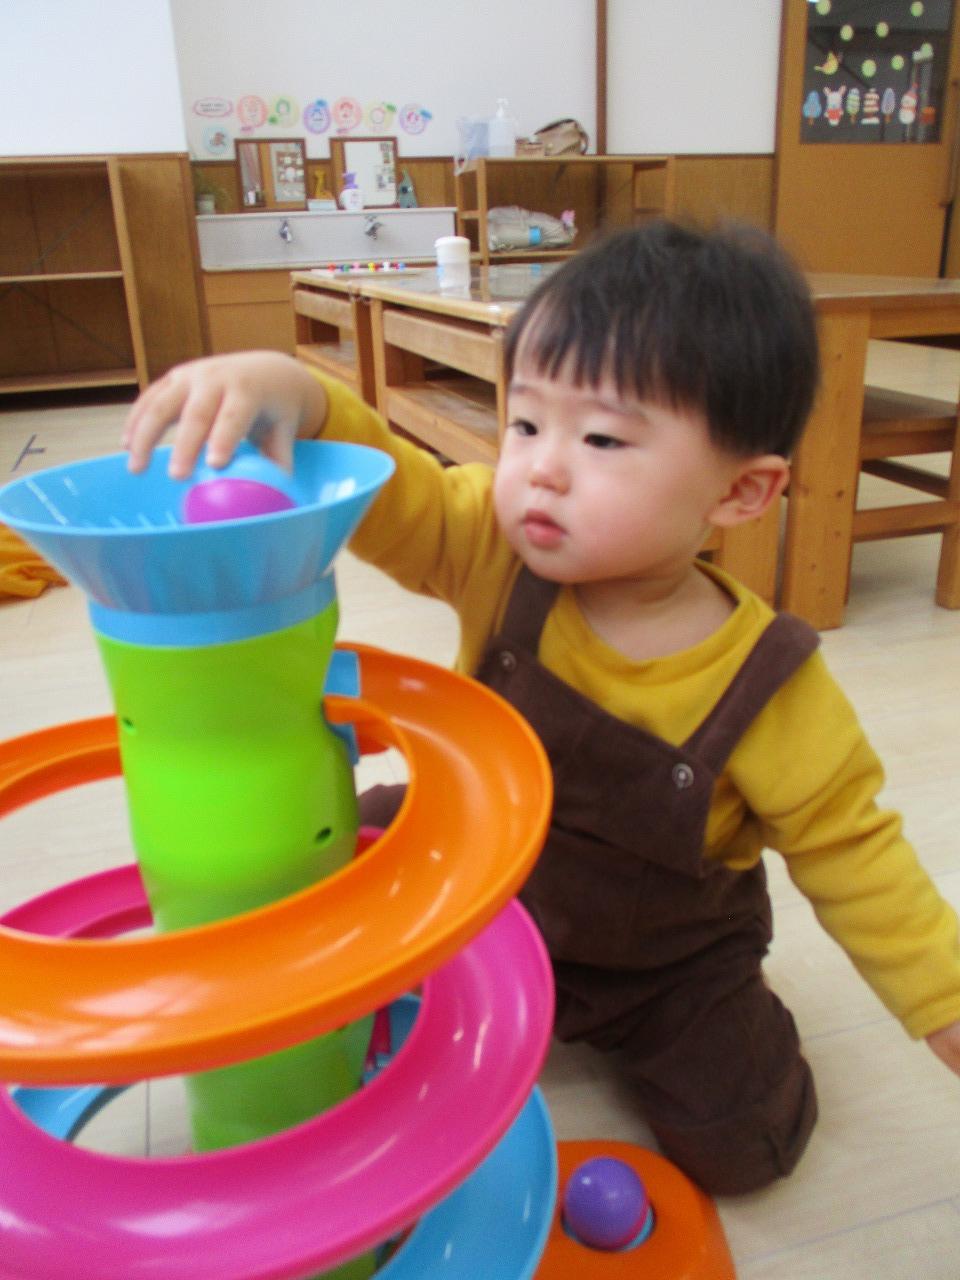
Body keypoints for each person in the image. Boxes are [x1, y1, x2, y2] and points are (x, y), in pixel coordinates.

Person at [123, 220, 960, 1195]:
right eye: (525, 423)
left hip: (663, 963)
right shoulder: (493, 543)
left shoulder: (771, 683)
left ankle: (733, 1041)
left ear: (742, 491)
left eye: (601, 438)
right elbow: (395, 487)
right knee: (327, 854)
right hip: (478, 883)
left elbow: (859, 858)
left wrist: (944, 1002)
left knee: (743, 1145)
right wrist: (297, 391)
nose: (542, 469)